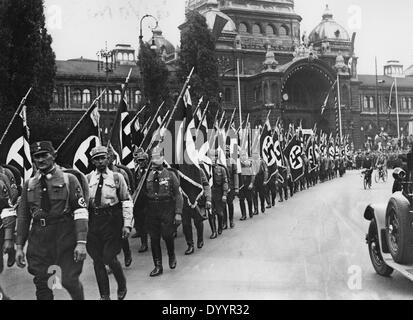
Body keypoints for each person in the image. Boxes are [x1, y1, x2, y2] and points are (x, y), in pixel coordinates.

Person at [16, 141, 89, 300]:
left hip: (64, 235)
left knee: (69, 281)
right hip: (40, 239)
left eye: (44, 155)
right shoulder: (30, 184)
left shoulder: (69, 179)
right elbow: (23, 216)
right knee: (43, 282)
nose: (40, 160)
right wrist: (19, 246)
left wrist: (81, 243)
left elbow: (81, 212)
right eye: (37, 156)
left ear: (54, 155)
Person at [86, 146, 133, 300]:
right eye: (96, 159)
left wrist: (127, 224)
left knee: (109, 257)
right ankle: (104, 295)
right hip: (94, 221)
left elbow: (126, 201)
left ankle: (121, 283)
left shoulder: (117, 177)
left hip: (112, 219)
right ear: (92, 161)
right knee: (97, 261)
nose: (100, 161)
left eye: (102, 158)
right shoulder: (87, 179)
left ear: (108, 158)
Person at [142, 145, 183, 277]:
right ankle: (158, 266)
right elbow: (142, 194)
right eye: (153, 158)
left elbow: (178, 195)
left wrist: (178, 213)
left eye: (158, 158)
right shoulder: (146, 176)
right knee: (154, 239)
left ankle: (171, 255)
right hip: (152, 209)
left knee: (167, 235)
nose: (155, 161)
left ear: (163, 159)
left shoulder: (170, 174)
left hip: (167, 208)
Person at [107, 147, 133, 268]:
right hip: (104, 212)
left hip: (118, 208)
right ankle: (112, 261)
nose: (106, 160)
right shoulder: (94, 175)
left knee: (121, 235)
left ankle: (127, 253)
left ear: (113, 158)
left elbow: (126, 191)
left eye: (109, 157)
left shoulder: (120, 173)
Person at [181, 165, 211, 255]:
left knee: (198, 221)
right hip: (185, 201)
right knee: (186, 224)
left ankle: (200, 239)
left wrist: (208, 199)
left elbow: (206, 185)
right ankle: (190, 245)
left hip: (197, 200)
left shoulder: (199, 170)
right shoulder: (180, 172)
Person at [132, 147, 150, 253]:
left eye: (143, 160)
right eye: (139, 161)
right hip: (139, 199)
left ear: (147, 160)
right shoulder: (137, 171)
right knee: (139, 219)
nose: (141, 162)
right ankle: (143, 239)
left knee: (149, 221)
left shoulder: (150, 171)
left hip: (149, 199)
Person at [208, 149, 228, 238]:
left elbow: (225, 182)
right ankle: (213, 231)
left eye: (214, 156)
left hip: (219, 193)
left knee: (220, 213)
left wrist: (224, 194)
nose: (212, 158)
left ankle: (220, 226)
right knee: (210, 213)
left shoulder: (221, 169)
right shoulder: (205, 169)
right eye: (210, 156)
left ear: (216, 158)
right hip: (209, 193)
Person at [223, 145, 239, 229]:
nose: (226, 152)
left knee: (230, 203)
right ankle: (224, 222)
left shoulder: (232, 161)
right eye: (225, 150)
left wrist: (236, 187)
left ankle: (231, 220)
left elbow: (235, 175)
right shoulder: (220, 161)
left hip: (231, 185)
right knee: (223, 205)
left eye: (227, 150)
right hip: (222, 187)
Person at [239, 150, 255, 220]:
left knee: (249, 199)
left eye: (244, 155)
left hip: (248, 184)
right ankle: (243, 215)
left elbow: (253, 174)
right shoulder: (238, 164)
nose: (243, 156)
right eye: (241, 155)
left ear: (246, 156)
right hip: (241, 185)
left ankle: (250, 212)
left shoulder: (250, 163)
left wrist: (251, 183)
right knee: (241, 200)